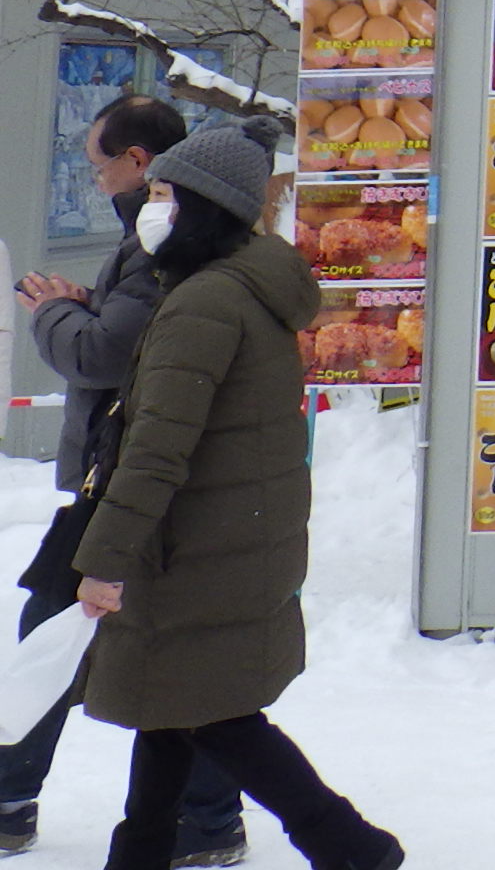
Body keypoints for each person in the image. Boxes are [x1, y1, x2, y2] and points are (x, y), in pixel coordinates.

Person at [70, 121, 404, 870]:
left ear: (199, 206)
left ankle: (350, 846)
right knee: (172, 707)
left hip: (194, 550)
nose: (150, 208)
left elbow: (157, 449)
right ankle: (143, 852)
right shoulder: (243, 287)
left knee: (216, 718)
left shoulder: (203, 305)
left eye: (161, 194)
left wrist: (103, 560)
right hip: (228, 539)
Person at [5, 98, 249, 867]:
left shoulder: (167, 246)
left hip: (130, 478)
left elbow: (110, 358)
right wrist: (87, 306)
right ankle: (209, 818)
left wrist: (50, 314)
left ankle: (13, 797)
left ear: (141, 164)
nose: (95, 176)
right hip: (128, 474)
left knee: (62, 629)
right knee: (149, 648)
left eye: (98, 163)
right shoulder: (162, 240)